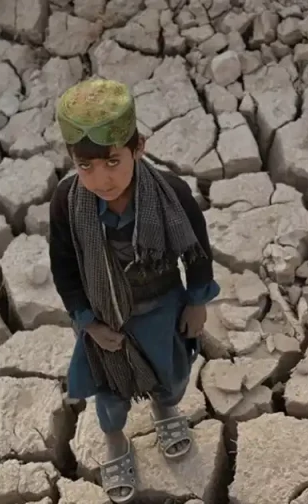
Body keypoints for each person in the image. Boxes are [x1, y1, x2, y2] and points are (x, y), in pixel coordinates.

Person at [48, 78, 220, 503]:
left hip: (162, 308)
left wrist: (197, 303)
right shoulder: (67, 203)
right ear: (72, 160)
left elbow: (197, 252)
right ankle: (116, 442)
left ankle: (165, 409)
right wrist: (88, 324)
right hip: (106, 320)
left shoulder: (170, 194)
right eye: (85, 166)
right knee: (109, 393)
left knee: (171, 373)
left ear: (138, 147)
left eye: (112, 161)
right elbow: (64, 268)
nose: (101, 178)